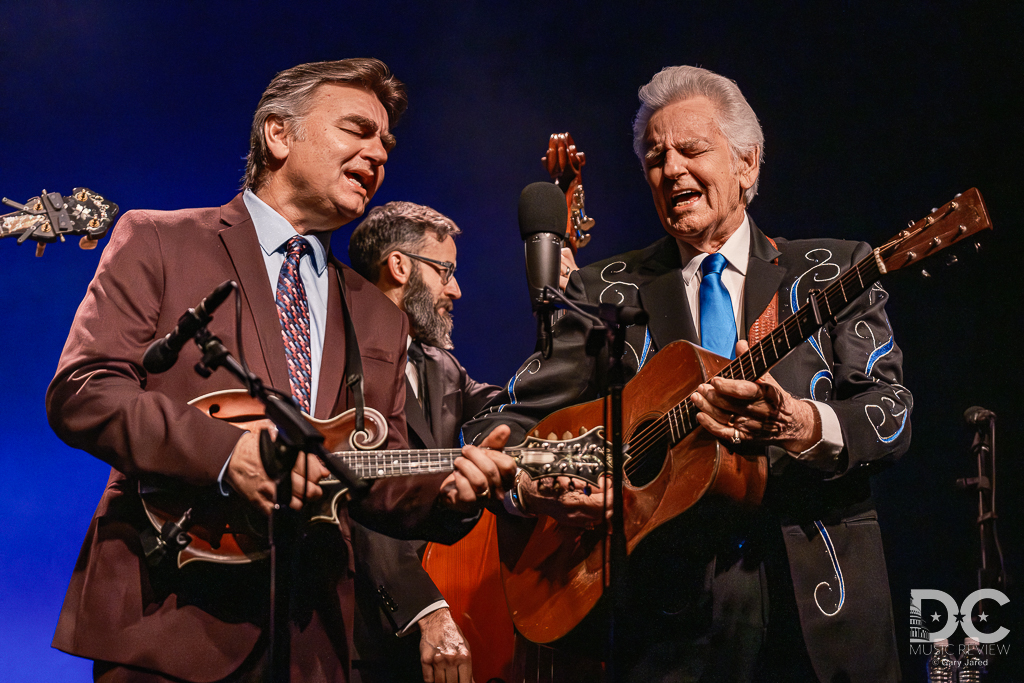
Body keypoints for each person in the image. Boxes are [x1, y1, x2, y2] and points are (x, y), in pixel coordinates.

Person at [46, 58, 513, 683]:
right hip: (170, 619)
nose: (378, 153)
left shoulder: (378, 316)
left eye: (386, 143)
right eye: (357, 130)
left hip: (311, 639)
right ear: (277, 135)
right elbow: (84, 392)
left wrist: (448, 497)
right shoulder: (158, 241)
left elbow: (377, 469)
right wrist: (224, 453)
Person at [463, 65, 912, 683]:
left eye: (691, 149)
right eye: (655, 157)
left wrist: (800, 421)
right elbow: (507, 420)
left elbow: (891, 413)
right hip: (661, 618)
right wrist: (526, 488)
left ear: (747, 164)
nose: (670, 168)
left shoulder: (833, 270)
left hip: (817, 603)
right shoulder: (606, 291)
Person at [345, 201, 501, 683]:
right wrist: (427, 609)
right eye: (445, 270)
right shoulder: (336, 353)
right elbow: (354, 497)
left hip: (425, 628)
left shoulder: (439, 364)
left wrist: (562, 312)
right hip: (356, 633)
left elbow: (510, 406)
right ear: (399, 265)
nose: (455, 288)